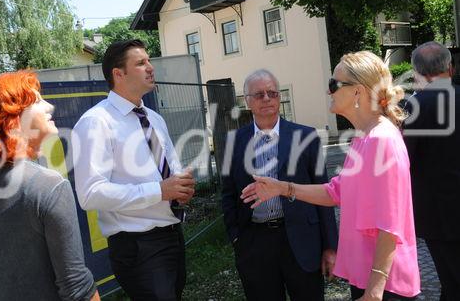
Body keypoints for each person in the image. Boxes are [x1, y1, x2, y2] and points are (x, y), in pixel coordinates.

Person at [242, 52, 421, 301]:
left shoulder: (381, 140)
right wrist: (281, 187)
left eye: (333, 84)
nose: (329, 92)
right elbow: (335, 191)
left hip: (384, 286)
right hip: (367, 278)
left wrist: (374, 291)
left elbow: (390, 226)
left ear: (357, 92)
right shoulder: (365, 138)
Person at [72, 39, 195, 301]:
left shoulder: (154, 118)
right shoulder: (96, 122)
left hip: (172, 236)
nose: (150, 67)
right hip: (138, 247)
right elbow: (90, 193)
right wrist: (159, 191)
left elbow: (170, 172)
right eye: (140, 63)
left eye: (149, 61)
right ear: (119, 74)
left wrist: (180, 189)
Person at [0, 71, 99, 301]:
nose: (49, 106)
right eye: (36, 101)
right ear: (13, 118)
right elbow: (77, 288)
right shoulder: (49, 187)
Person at [221, 69, 338, 301]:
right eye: (259, 94)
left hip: (302, 239)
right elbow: (227, 194)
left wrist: (330, 246)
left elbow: (324, 193)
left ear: (279, 97)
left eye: (272, 93)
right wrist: (237, 237)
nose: (267, 98)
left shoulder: (305, 137)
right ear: (247, 101)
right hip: (255, 243)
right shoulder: (233, 142)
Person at [403, 41, 460, 301]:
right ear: (451, 68)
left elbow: (403, 161)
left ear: (417, 74)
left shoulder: (413, 108)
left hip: (439, 217)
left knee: (451, 280)